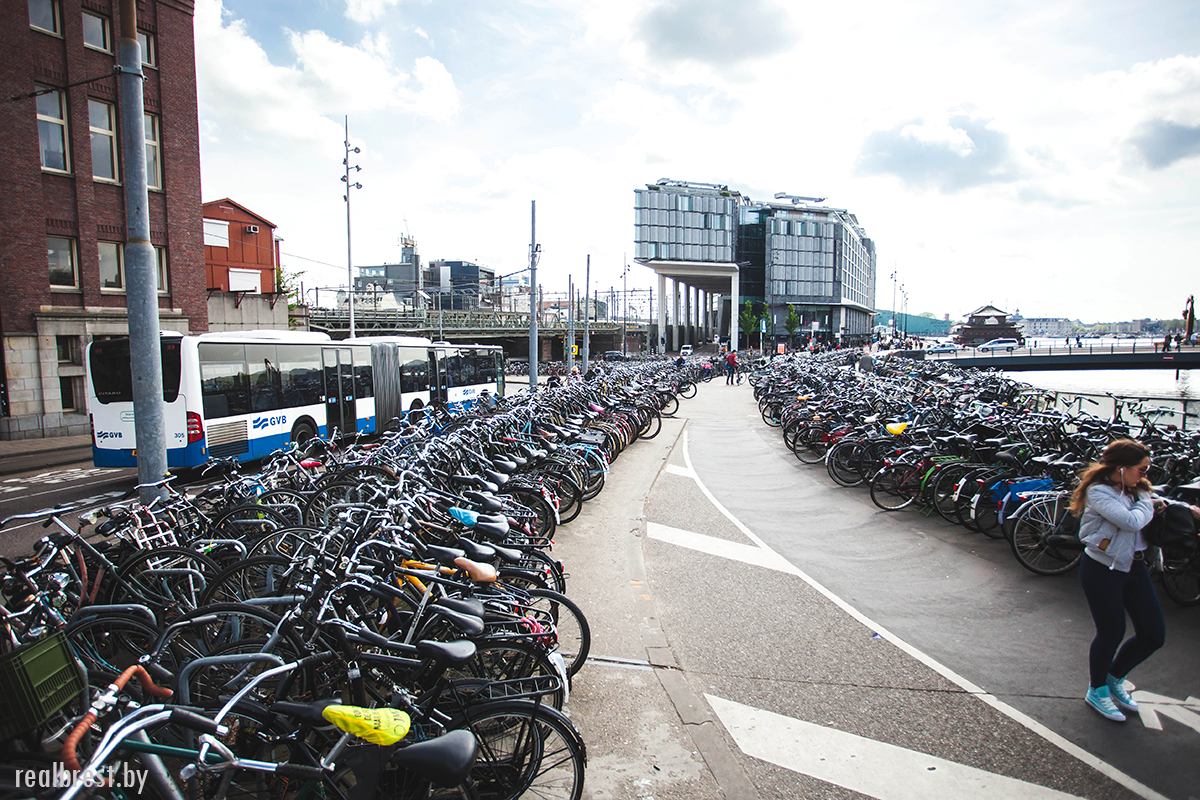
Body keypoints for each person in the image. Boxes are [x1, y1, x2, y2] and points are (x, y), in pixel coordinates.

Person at [1070, 439, 1200, 722]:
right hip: (1102, 570)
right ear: (1121, 469)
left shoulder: (1136, 490)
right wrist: (1148, 502)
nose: (1145, 475)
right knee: (1111, 632)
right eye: (1141, 469)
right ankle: (1097, 689)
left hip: (1135, 567)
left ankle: (1115, 677)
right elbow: (1130, 521)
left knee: (1153, 634)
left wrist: (1175, 507)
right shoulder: (1099, 492)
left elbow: (1154, 504)